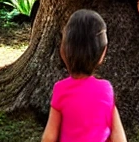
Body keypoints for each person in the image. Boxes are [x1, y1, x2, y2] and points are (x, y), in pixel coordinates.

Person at [42, 9, 127, 142]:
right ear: (102, 54)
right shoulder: (106, 89)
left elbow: (49, 137)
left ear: (63, 50)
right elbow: (119, 137)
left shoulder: (60, 89)